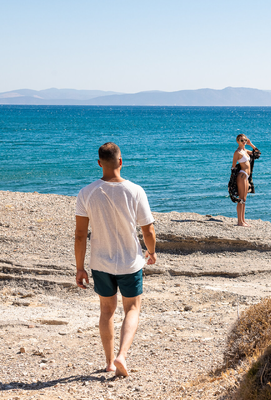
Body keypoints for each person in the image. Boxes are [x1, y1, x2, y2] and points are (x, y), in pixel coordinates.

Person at [74, 142, 157, 378]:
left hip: (100, 263)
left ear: (99, 163)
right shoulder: (135, 191)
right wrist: (151, 252)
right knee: (132, 308)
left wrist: (80, 268)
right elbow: (148, 230)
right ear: (121, 161)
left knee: (106, 311)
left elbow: (80, 235)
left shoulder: (86, 192)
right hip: (130, 262)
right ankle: (122, 355)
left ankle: (109, 362)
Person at [229, 134, 259, 226]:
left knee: (244, 199)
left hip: (247, 177)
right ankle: (239, 222)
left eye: (245, 140)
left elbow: (257, 154)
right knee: (241, 199)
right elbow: (233, 167)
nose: (244, 142)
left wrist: (251, 144)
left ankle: (243, 220)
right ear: (237, 141)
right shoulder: (237, 152)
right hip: (241, 176)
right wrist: (232, 182)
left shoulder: (245, 150)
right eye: (242, 140)